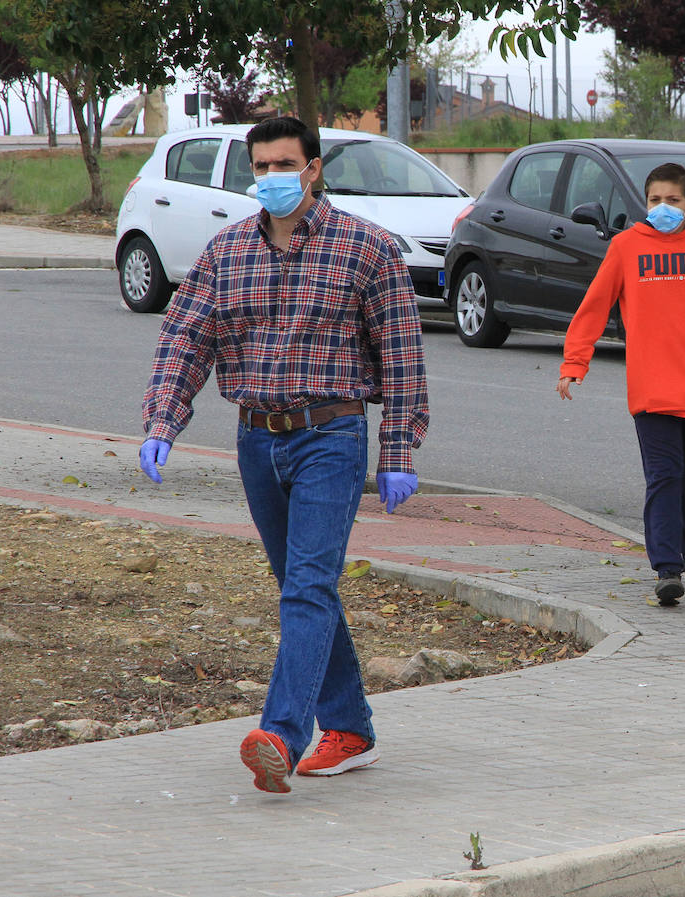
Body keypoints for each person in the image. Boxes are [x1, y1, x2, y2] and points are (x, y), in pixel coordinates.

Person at [139, 116, 428, 793]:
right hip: (255, 439)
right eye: (261, 165)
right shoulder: (226, 251)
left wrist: (398, 449)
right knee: (306, 587)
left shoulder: (367, 248)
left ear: (314, 168)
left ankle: (281, 733)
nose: (272, 177)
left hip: (331, 436)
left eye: (284, 164)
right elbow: (186, 338)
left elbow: (403, 354)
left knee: (306, 586)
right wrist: (163, 421)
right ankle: (351, 728)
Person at [557, 162, 685, 606]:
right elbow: (594, 306)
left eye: (672, 201)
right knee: (663, 476)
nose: (662, 208)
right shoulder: (626, 247)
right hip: (651, 386)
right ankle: (667, 569)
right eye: (655, 200)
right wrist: (575, 362)